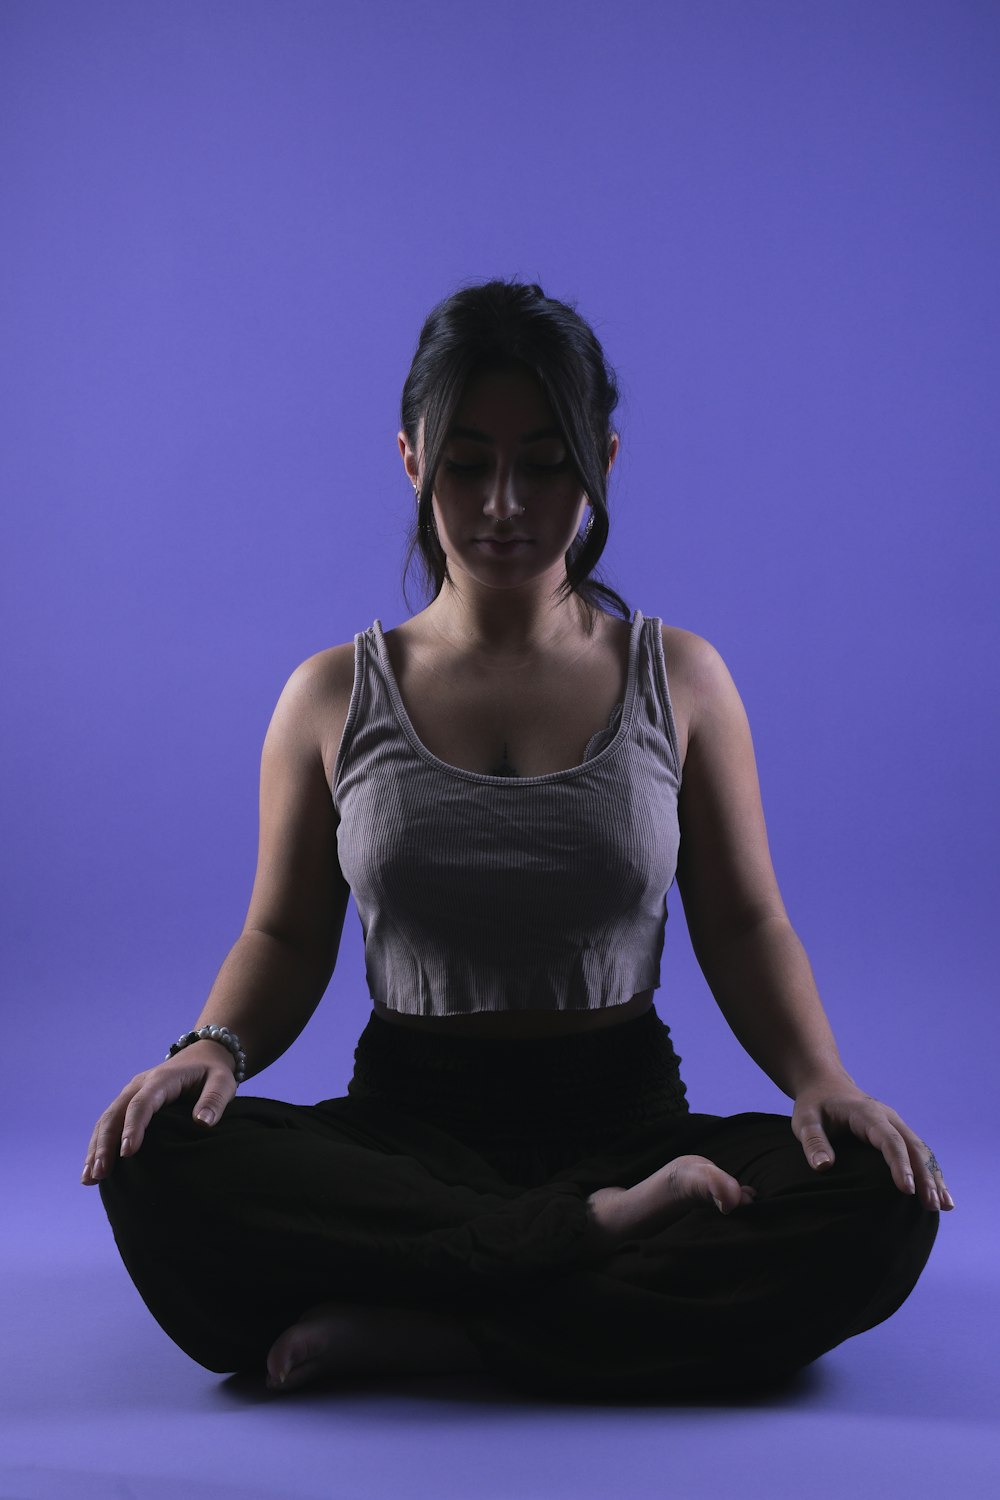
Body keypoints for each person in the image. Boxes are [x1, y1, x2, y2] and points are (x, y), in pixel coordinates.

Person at [83, 278, 947, 1400]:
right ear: (410, 461)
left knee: (880, 1200)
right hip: (406, 1133)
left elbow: (742, 921)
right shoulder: (328, 694)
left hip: (629, 1121)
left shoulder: (681, 678)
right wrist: (209, 1049)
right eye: (465, 463)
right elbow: (284, 934)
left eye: (544, 462)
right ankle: (593, 1257)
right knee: (157, 1161)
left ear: (601, 463)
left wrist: (821, 1078)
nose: (504, 503)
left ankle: (443, 1331)